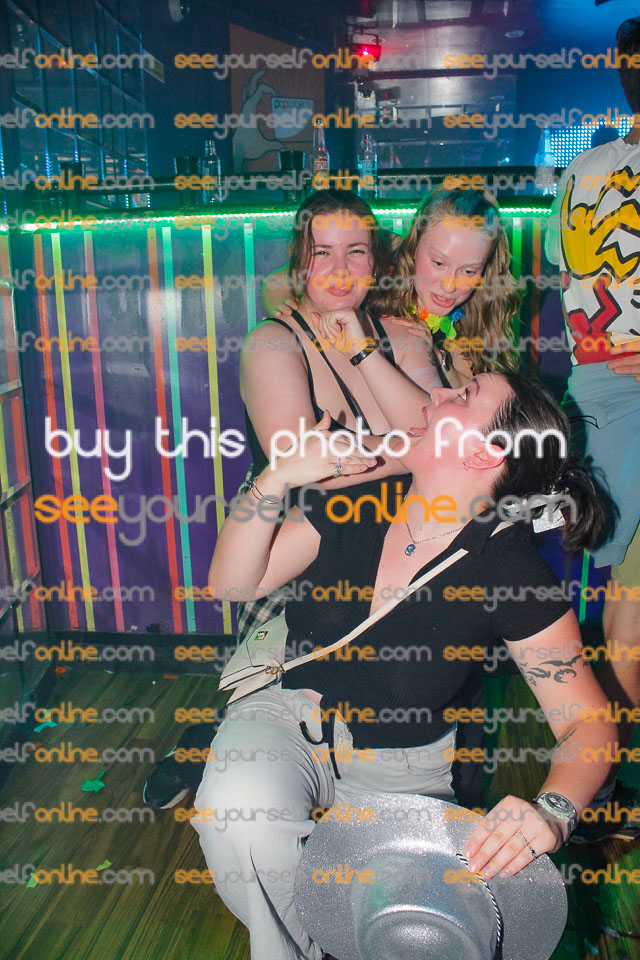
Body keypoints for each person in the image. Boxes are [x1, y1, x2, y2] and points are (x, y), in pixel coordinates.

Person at [196, 370, 616, 960]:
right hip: (291, 712)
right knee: (238, 811)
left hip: (402, 761)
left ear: (486, 453)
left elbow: (587, 725)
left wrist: (554, 811)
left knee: (406, 924)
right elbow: (232, 585)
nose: (436, 394)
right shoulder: (357, 499)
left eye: (463, 396)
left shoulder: (510, 571)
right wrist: (276, 477)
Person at [143, 188, 436, 810]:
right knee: (284, 694)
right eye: (321, 252)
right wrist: (415, 449)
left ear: (376, 260)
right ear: (299, 261)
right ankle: (213, 743)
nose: (339, 269)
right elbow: (306, 467)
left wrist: (366, 357)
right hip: (293, 544)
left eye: (356, 251)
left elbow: (438, 431)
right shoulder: (273, 342)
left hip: (393, 542)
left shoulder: (402, 335)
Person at [545, 15, 640, 841]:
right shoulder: (589, 170)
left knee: (621, 608)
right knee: (626, 613)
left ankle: (611, 776)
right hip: (614, 391)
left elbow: (570, 279)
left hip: (600, 387)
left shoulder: (583, 169)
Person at [264, 184, 521, 389]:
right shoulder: (387, 263)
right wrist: (283, 302)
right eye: (438, 263)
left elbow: (481, 405)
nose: (449, 285)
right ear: (414, 245)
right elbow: (283, 278)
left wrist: (438, 356)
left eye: (469, 271)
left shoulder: (478, 315)